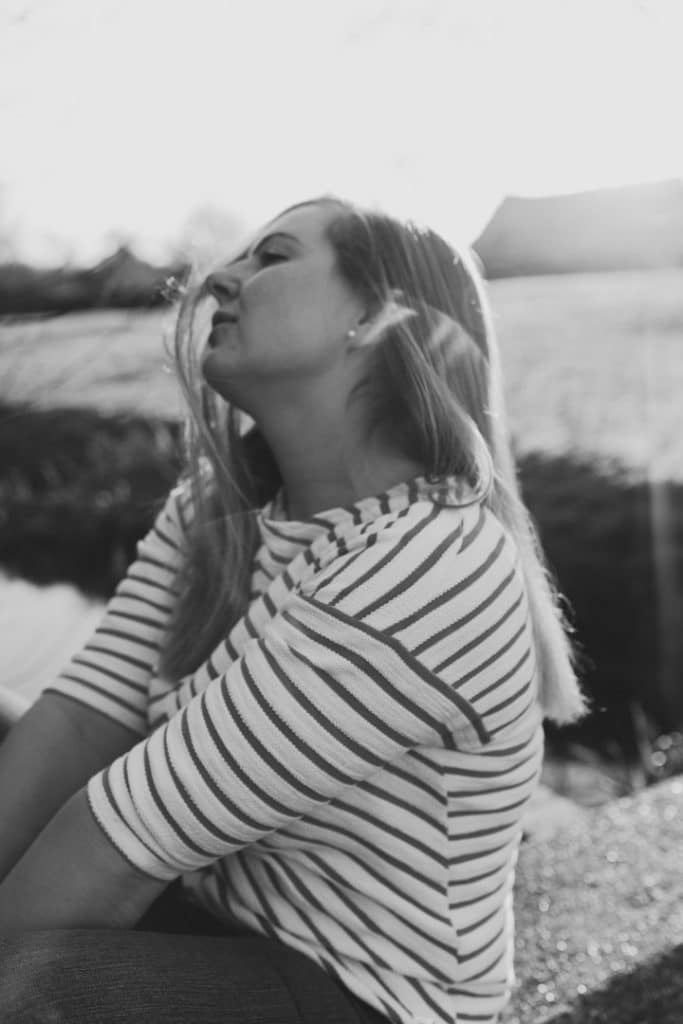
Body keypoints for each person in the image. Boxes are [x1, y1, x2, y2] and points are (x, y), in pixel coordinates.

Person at [0, 194, 587, 1024]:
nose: (217, 282)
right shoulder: (217, 507)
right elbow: (87, 716)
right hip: (219, 923)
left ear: (377, 317)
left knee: (31, 990)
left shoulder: (428, 563)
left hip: (360, 995)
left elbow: (122, 839)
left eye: (270, 257)